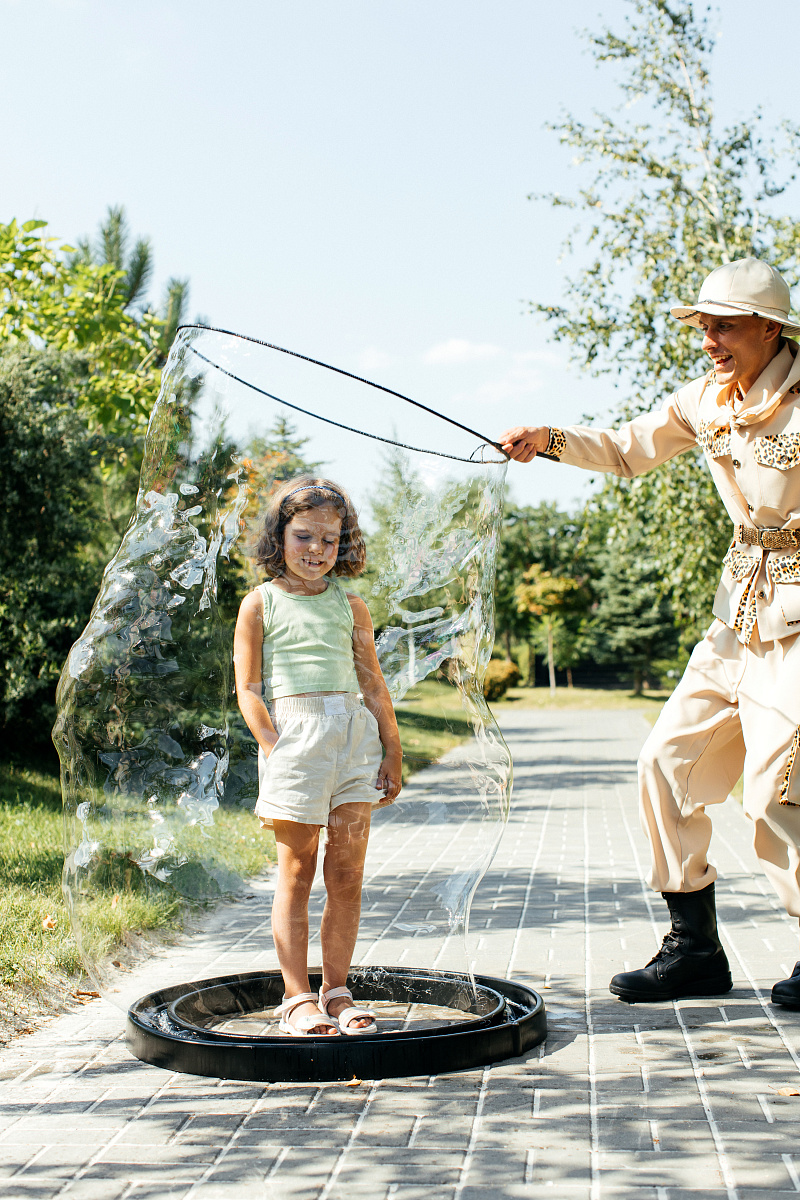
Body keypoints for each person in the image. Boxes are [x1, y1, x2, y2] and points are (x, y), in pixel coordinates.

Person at [500, 258, 800, 1007]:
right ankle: (695, 950)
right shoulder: (705, 399)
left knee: (778, 792)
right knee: (663, 762)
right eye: (702, 326)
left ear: (769, 328)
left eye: (723, 326)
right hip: (736, 616)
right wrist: (548, 438)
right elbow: (628, 449)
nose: (708, 340)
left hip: (798, 627)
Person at [233, 476, 402, 1035]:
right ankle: (296, 996)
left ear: (343, 544)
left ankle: (336, 991)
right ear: (279, 536)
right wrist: (273, 746)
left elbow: (373, 685)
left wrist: (392, 750)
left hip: (353, 740)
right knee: (298, 871)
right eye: (303, 536)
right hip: (295, 742)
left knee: (347, 872)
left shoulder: (351, 606)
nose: (316, 549)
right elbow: (248, 689)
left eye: (330, 540)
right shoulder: (259, 604)